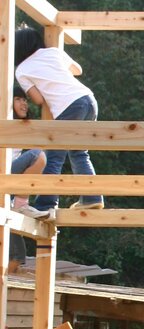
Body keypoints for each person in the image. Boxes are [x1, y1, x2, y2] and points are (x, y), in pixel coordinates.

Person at [14, 23, 103, 217]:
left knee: (54, 155)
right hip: (88, 100)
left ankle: (46, 203)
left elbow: (39, 100)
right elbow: (77, 69)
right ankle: (92, 198)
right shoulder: (53, 52)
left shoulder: (21, 70)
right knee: (79, 152)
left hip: (69, 107)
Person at [9, 86, 46, 269]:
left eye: (25, 100)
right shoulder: (4, 120)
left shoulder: (23, 127)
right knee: (37, 155)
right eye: (18, 99)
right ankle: (20, 204)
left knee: (17, 255)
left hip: (9, 177)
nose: (24, 103)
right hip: (4, 173)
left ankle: (18, 205)